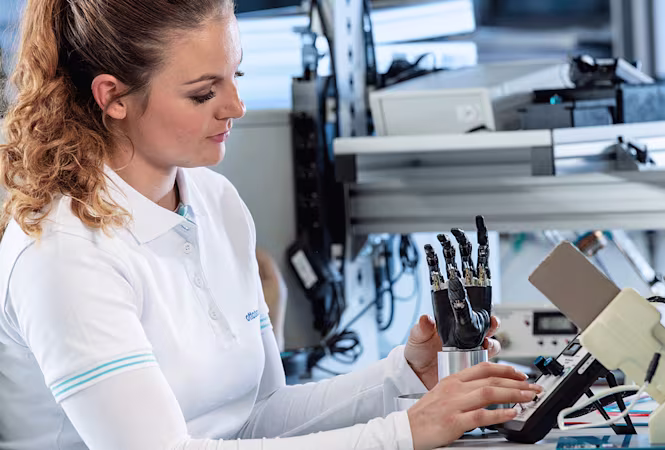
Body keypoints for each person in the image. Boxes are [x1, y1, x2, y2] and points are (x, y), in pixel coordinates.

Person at [0, 1, 541, 449]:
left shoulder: (216, 202)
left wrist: (402, 377)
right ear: (112, 96)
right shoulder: (64, 253)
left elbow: (258, 416)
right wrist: (406, 431)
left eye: (236, 76)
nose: (235, 105)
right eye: (202, 92)